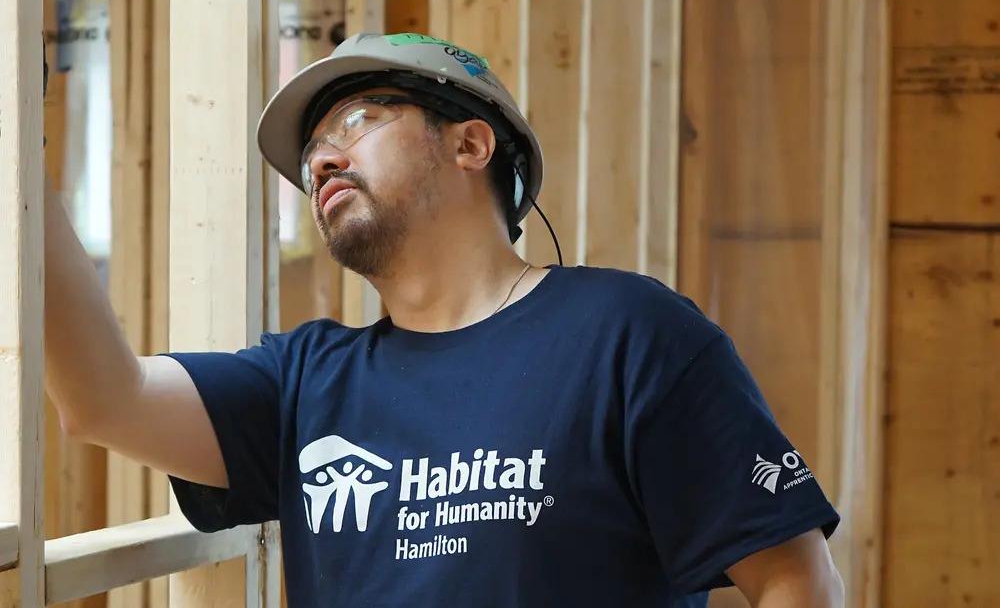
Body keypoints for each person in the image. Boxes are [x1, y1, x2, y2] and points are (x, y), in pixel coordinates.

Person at [44, 32, 844, 607]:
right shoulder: (303, 382)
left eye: (357, 121)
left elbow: (794, 578)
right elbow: (104, 400)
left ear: (470, 143)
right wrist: (22, 165)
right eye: (313, 150)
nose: (322, 158)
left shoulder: (631, 336)